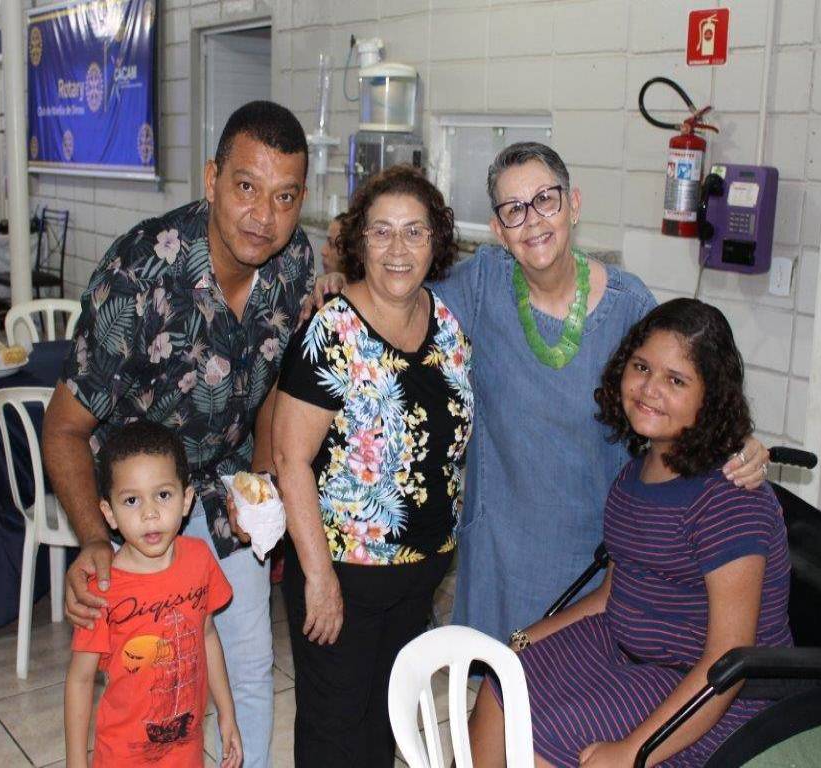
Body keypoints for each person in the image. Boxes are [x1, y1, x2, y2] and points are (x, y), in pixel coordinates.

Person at [310, 143, 770, 644]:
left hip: (596, 552)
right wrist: (344, 287)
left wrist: (738, 442)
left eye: (545, 200)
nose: (532, 220)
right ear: (498, 230)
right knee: (493, 680)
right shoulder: (481, 284)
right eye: (513, 209)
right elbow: (398, 304)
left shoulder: (629, 305)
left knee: (576, 681)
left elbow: (686, 388)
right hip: (498, 549)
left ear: (574, 204)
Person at [43, 100, 315, 767]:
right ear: (212, 179)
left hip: (224, 492)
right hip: (138, 502)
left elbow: (272, 381)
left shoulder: (294, 266)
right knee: (150, 682)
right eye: (246, 187)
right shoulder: (139, 273)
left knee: (247, 667)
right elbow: (65, 428)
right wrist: (95, 540)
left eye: (284, 197)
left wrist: (258, 482)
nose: (263, 216)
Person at [468, 298, 792, 768]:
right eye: (641, 367)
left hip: (714, 687)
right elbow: (612, 596)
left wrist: (632, 750)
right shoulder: (634, 477)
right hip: (627, 648)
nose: (650, 389)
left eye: (676, 380)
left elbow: (728, 660)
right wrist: (518, 642)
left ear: (711, 398)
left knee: (545, 743)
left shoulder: (730, 501)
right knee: (502, 684)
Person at [273, 165, 473, 767]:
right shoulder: (332, 329)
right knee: (336, 734)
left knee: (386, 728)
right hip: (342, 576)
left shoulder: (447, 323)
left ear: (436, 242)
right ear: (360, 242)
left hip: (418, 578)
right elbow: (289, 457)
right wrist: (319, 578)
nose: (397, 248)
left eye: (414, 231)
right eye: (381, 231)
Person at [64, 422, 243, 768]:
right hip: (122, 758)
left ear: (186, 499)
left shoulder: (200, 560)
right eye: (132, 500)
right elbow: (80, 679)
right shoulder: (102, 588)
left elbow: (207, 635)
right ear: (109, 513)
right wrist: (75, 761)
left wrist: (226, 712)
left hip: (186, 753)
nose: (150, 513)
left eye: (163, 495)